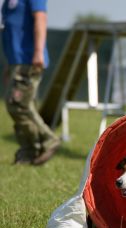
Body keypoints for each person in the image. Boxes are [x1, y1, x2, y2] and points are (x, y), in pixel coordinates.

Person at [1, 0, 60, 165]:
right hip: (16, 62)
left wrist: (39, 51)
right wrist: (9, 65)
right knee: (19, 106)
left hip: (29, 59)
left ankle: (48, 139)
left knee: (19, 105)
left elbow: (40, 17)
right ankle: (28, 151)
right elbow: (11, 30)